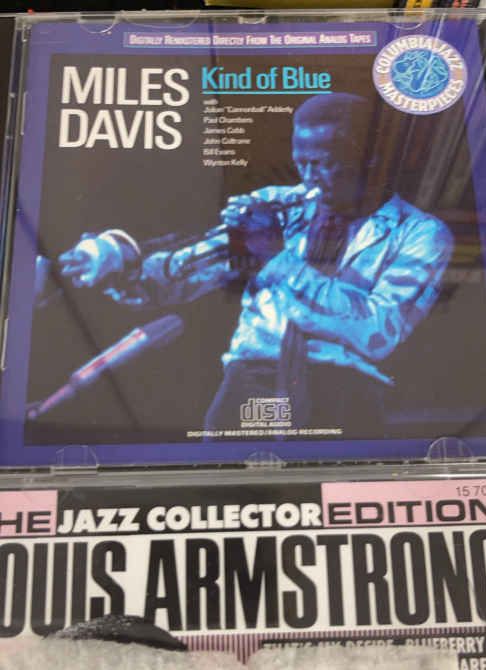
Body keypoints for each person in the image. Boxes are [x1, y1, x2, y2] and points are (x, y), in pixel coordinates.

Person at [59, 93, 453, 436]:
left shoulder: (422, 233)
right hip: (250, 382)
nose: (308, 179)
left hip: (346, 391)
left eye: (323, 163)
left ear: (368, 158)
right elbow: (175, 281)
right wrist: (117, 264)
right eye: (301, 162)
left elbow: (378, 332)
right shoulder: (276, 203)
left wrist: (276, 259)